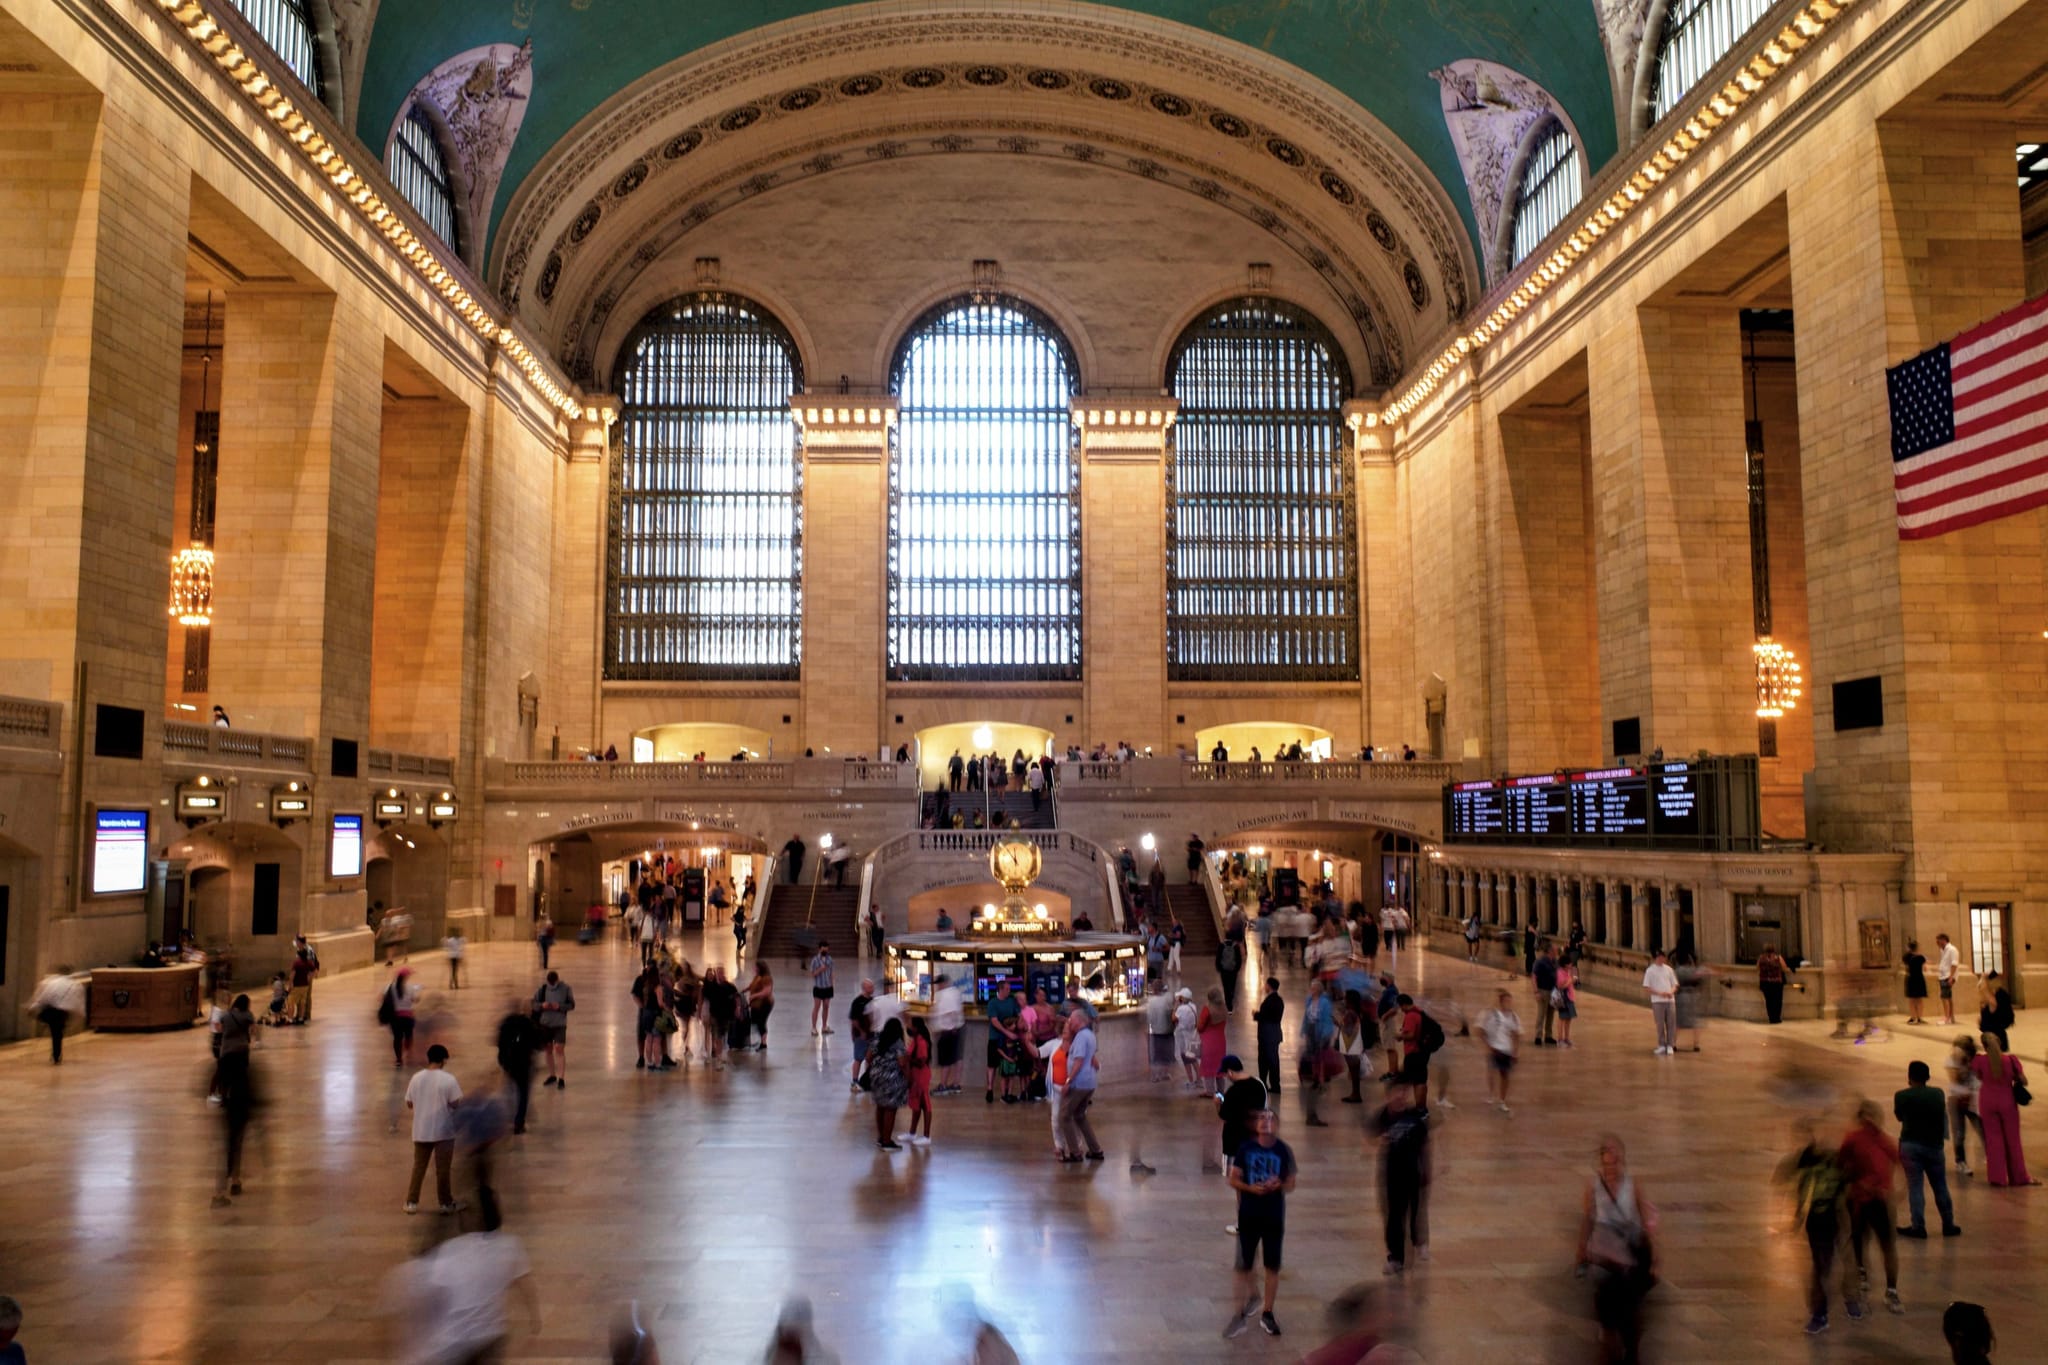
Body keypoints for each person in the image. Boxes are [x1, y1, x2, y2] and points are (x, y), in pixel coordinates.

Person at [383, 1190, 538, 1365]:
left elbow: (434, 1296)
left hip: (457, 1341)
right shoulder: (508, 1245)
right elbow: (524, 1280)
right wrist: (534, 1318)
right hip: (489, 1335)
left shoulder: (452, 1251)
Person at [1575, 1134, 1655, 1363]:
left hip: (1628, 1260)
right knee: (1608, 1320)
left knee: (1630, 1318)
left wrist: (1655, 1253)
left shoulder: (1633, 1185)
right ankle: (1611, 1346)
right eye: (1607, 1161)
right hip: (1604, 1259)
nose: (1611, 1167)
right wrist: (1581, 1248)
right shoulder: (1593, 1186)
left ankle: (1628, 1350)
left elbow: (1646, 1219)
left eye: (1615, 1161)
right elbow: (1588, 1217)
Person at [1222, 1109, 1295, 1339]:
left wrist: (1278, 1184)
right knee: (1243, 1264)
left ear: (1277, 1125)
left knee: (1272, 1265)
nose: (1265, 1122)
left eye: (1270, 1118)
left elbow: (1291, 1183)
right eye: (1262, 1118)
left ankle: (1268, 1312)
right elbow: (1233, 1179)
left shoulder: (1283, 1150)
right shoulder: (1246, 1148)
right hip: (1249, 1214)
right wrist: (1250, 1188)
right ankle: (1238, 1313)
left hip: (1273, 1215)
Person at [1779, 1121, 1849, 1336]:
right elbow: (1800, 1191)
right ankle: (1821, 1312)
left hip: (1830, 1220)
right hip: (1816, 1221)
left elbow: (1845, 1194)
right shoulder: (1809, 1164)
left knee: (1823, 1268)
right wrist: (1797, 1219)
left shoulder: (1836, 1164)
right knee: (1820, 1268)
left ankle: (1824, 1310)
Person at [1838, 1099, 1905, 1317]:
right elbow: (1842, 1165)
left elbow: (1899, 1162)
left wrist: (1899, 1190)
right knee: (1859, 1240)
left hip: (1879, 1200)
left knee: (1887, 1245)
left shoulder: (1884, 1140)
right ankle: (1862, 1274)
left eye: (1873, 1115)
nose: (1870, 1119)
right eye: (1866, 1115)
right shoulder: (1852, 1139)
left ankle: (1891, 1289)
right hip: (1859, 1199)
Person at [1894, 1061, 1961, 1238]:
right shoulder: (1937, 1094)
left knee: (1915, 1187)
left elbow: (1900, 1117)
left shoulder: (1902, 1096)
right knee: (1940, 1186)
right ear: (1928, 1077)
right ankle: (1948, 1224)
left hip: (1910, 1145)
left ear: (1909, 1077)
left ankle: (1918, 1226)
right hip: (1934, 1146)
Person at [1373, 1080, 1430, 1275]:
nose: (1401, 1097)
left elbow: (1425, 1144)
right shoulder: (1383, 1116)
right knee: (1394, 1216)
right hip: (1392, 1174)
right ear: (1388, 1096)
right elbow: (1370, 1137)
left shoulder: (1415, 1118)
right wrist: (1378, 1143)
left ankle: (1418, 1240)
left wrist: (1427, 1168)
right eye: (1397, 1093)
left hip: (1413, 1172)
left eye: (1404, 1093)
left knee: (1415, 1211)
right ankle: (1395, 1257)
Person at [402, 1044, 465, 1216]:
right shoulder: (448, 1079)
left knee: (419, 1167)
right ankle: (445, 1203)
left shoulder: (416, 1078)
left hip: (421, 1129)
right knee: (442, 1169)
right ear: (443, 1060)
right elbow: (455, 1103)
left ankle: (411, 1202)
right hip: (443, 1130)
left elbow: (409, 1103)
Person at [211, 993, 258, 1207]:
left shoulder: (226, 1016)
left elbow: (218, 1031)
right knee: (235, 1144)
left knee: (231, 1143)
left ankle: (234, 1181)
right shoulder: (248, 1016)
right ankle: (226, 1187)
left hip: (227, 1078)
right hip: (240, 1098)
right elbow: (255, 1032)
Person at [1969, 1033, 2035, 1187]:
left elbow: (1978, 1077)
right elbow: (2024, 1081)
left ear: (1984, 1046)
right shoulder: (2010, 1060)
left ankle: (1997, 1178)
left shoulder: (1979, 1060)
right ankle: (2019, 1177)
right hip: (2007, 1100)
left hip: (1987, 1100)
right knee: (2013, 1140)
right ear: (1999, 1043)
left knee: (1993, 1139)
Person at [1056, 1009, 1103, 1160]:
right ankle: (1096, 1150)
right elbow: (1092, 1059)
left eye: (1071, 1020)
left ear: (1079, 1020)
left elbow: (1079, 1061)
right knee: (1079, 1115)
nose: (1069, 1023)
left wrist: (1068, 1081)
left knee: (1064, 1116)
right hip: (1089, 1082)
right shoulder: (1089, 1035)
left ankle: (1075, 1152)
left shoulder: (1082, 1037)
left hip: (1079, 1083)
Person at [496, 998, 541, 1135]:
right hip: (524, 1064)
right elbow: (537, 1043)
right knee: (523, 1094)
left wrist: (503, 1060)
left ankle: (506, 1118)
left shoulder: (505, 1023)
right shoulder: (527, 1023)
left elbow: (499, 1043)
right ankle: (519, 1123)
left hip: (509, 1063)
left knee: (509, 1090)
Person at [867, 1017, 910, 1151]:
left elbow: (868, 1057)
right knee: (890, 1109)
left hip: (876, 1078)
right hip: (892, 1080)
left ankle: (881, 1137)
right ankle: (887, 1141)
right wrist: (909, 1079)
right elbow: (902, 1063)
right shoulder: (898, 1043)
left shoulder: (877, 1039)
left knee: (880, 1107)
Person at [26, 968, 83, 1065]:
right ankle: (57, 1054)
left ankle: (56, 1053)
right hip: (63, 1013)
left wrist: (32, 1008)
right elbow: (77, 1002)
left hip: (50, 1011)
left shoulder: (49, 982)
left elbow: (42, 998)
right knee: (57, 1031)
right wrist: (79, 1015)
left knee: (55, 1030)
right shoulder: (74, 984)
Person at [1479, 989, 1521, 1114]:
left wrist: (1515, 1051)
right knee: (1492, 1072)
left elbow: (1516, 1034)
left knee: (1505, 1075)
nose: (1509, 1003)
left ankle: (1502, 1100)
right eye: (1506, 1001)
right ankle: (1491, 1094)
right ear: (1501, 1002)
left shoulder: (1513, 1016)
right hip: (1495, 1049)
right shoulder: (1492, 1015)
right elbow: (1482, 1031)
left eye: (1510, 1001)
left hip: (1506, 1050)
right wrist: (1488, 1045)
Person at [1946, 1035, 1983, 1177]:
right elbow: (1956, 1080)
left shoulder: (1976, 1060)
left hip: (1973, 1099)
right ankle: (1960, 1161)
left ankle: (1991, 1157)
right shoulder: (1951, 1061)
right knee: (1959, 1133)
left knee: (1981, 1129)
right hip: (1957, 1100)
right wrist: (1962, 1064)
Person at [984, 978, 1023, 1103]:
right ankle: (989, 1089)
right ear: (1000, 989)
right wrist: (1007, 1032)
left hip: (1010, 1041)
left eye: (1009, 989)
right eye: (1006, 989)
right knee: (992, 1064)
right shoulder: (993, 1003)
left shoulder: (1011, 1002)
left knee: (1009, 1067)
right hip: (995, 1037)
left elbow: (1018, 1015)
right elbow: (994, 1021)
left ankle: (1008, 1092)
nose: (1009, 991)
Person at [533, 970, 574, 1088]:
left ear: (557, 980)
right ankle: (552, 1075)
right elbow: (534, 1004)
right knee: (548, 1050)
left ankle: (561, 1078)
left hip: (560, 1024)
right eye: (550, 984)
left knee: (559, 1049)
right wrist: (542, 1005)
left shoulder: (566, 989)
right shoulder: (542, 989)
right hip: (545, 1024)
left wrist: (559, 1006)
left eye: (553, 983)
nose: (552, 986)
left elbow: (572, 1005)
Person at [903, 1014, 934, 1145]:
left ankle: (927, 1136)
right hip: (916, 1076)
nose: (908, 1027)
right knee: (916, 1105)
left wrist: (909, 1059)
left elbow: (922, 1060)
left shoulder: (921, 1041)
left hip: (921, 1076)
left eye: (910, 1024)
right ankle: (912, 1132)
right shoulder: (915, 1039)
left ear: (916, 1027)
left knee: (924, 1104)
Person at [932, 973, 965, 1094]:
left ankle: (943, 1084)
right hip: (954, 1029)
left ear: (943, 984)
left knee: (946, 1059)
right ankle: (956, 1083)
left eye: (938, 984)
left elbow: (952, 1012)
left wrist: (951, 1028)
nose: (937, 987)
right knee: (956, 1057)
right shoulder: (954, 992)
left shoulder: (946, 995)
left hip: (949, 1030)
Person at [383, 967, 422, 1068]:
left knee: (397, 1038)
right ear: (406, 977)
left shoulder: (389, 987)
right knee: (408, 1036)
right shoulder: (410, 987)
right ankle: (407, 1052)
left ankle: (398, 1060)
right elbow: (416, 1000)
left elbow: (383, 998)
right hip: (408, 1017)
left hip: (395, 1018)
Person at [702, 966, 740, 1070]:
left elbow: (737, 996)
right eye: (718, 973)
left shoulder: (729, 986)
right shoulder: (712, 987)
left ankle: (721, 1054)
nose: (720, 975)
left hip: (726, 1016)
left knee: (724, 1035)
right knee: (718, 1036)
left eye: (722, 973)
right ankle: (718, 1058)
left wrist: (737, 1008)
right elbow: (706, 999)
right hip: (715, 1015)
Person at [1643, 950, 1679, 1055]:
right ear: (1656, 958)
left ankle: (1670, 1045)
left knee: (1671, 1023)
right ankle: (1661, 1044)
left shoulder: (1669, 970)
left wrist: (1670, 992)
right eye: (1660, 957)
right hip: (1657, 1001)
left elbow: (1675, 984)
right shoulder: (1650, 971)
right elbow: (1647, 987)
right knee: (1660, 1024)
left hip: (1670, 1000)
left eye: (1663, 957)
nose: (1663, 959)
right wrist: (1659, 993)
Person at [1254, 978, 1285, 1098]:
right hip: (1274, 1034)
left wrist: (1256, 1014)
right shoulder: (1279, 1000)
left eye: (1265, 984)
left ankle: (1265, 1084)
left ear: (1269, 986)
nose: (1264, 986)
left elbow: (1266, 1016)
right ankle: (1274, 1084)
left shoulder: (1271, 1001)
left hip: (1267, 1034)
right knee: (1272, 1060)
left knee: (1265, 1060)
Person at [1198, 987, 1230, 1095]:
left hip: (1208, 1041)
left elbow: (1200, 1026)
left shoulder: (1207, 1009)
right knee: (1219, 1065)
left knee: (1208, 1065)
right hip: (1221, 1041)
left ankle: (1210, 1091)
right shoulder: (1224, 1008)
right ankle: (1221, 1090)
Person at [847, 978, 876, 1093]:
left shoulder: (874, 1001)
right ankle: (855, 1080)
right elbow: (853, 1019)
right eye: (870, 987)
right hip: (861, 1035)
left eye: (872, 987)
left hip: (871, 1034)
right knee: (858, 1058)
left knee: (870, 1058)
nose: (872, 989)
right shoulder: (857, 1002)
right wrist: (860, 1032)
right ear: (864, 988)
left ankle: (867, 1080)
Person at [1977, 972, 2014, 1052]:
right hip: (1992, 1036)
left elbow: (1984, 990)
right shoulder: (1996, 995)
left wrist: (1984, 980)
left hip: (1995, 1039)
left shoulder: (1997, 997)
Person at [1532, 944, 1558, 1046]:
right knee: (1541, 1014)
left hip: (1553, 991)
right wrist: (1536, 992)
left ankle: (1548, 1035)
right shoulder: (1540, 962)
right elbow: (1534, 977)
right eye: (1555, 950)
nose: (1557, 952)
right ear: (1550, 951)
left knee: (1551, 1015)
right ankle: (1538, 1036)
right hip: (1543, 990)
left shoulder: (1555, 962)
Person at [1757, 944, 1790, 1024]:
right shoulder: (1778, 958)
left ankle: (1771, 1018)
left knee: (1769, 1001)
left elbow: (1757, 967)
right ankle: (1776, 1018)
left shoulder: (1761, 958)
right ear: (1774, 950)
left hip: (1765, 983)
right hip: (1776, 983)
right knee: (1777, 1001)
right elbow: (1784, 968)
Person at [745, 962, 775, 1050]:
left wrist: (754, 996)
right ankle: (761, 1040)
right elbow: (751, 986)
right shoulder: (757, 977)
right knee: (756, 1021)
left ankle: (763, 1043)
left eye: (756, 968)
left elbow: (767, 992)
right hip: (756, 1005)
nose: (754, 969)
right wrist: (744, 990)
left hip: (765, 1004)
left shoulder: (766, 978)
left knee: (761, 1021)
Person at [284, 948, 319, 1023]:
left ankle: (290, 1019)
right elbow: (315, 971)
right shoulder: (309, 962)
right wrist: (309, 978)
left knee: (291, 1002)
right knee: (302, 1002)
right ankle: (301, 1018)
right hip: (305, 986)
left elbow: (292, 975)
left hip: (297, 985)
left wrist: (290, 985)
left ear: (299, 955)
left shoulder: (296, 963)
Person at [808, 943, 835, 1035]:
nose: (825, 951)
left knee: (826, 1006)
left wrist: (832, 983)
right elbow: (812, 974)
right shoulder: (815, 960)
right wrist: (820, 969)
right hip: (818, 986)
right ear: (819, 949)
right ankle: (814, 1027)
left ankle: (824, 1026)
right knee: (817, 1007)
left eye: (826, 950)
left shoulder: (830, 959)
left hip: (828, 986)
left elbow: (831, 972)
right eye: (823, 950)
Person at [1216, 930, 1245, 1014]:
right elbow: (1239, 959)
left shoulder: (1221, 945)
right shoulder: (1235, 946)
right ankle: (1231, 998)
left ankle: (1229, 1007)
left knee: (1226, 988)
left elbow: (1218, 958)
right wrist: (1237, 969)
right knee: (1232, 986)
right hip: (1233, 971)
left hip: (1224, 970)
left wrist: (1219, 968)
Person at [1554, 952, 1579, 1048]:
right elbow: (1560, 986)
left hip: (1570, 997)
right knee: (1562, 1018)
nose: (1571, 965)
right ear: (1565, 964)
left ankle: (1566, 1038)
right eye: (1569, 963)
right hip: (1563, 997)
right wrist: (1570, 981)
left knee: (1568, 1019)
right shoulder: (1560, 973)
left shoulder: (1568, 971)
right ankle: (1560, 1039)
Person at [1935, 932, 1960, 1026]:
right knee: (1948, 997)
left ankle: (1947, 1018)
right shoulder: (1943, 950)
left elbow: (1954, 964)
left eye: (1938, 941)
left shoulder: (1952, 950)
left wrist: (1951, 977)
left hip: (1948, 976)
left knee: (1944, 997)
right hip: (1943, 975)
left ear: (1943, 940)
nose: (1937, 943)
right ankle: (1951, 1016)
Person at [1902, 940, 1928, 1024]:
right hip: (1919, 978)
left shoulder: (1906, 957)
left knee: (1912, 1000)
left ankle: (1913, 1017)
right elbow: (1925, 968)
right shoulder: (1921, 957)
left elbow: (1905, 966)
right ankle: (1920, 1017)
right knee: (1919, 999)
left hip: (1911, 977)